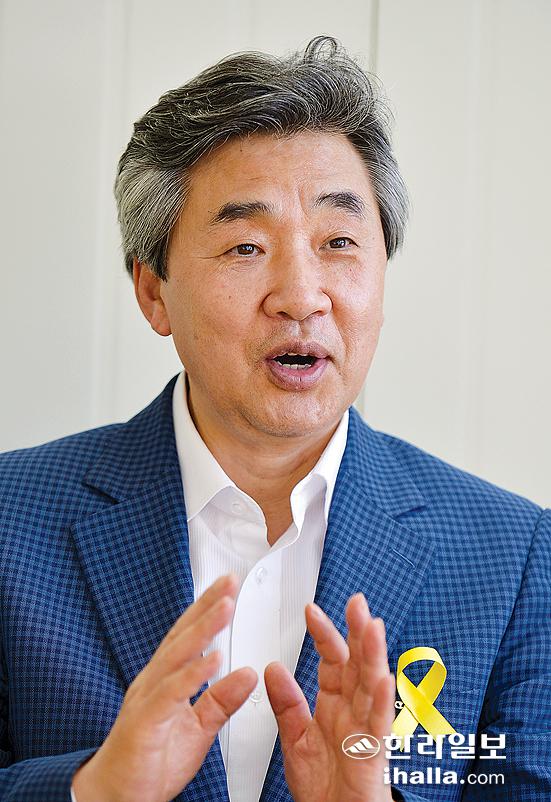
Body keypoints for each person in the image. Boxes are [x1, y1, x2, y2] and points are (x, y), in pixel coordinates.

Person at [0, 34, 549, 802]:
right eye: (246, 247)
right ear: (153, 292)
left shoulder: (510, 554)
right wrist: (95, 789)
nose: (300, 296)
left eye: (338, 242)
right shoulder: (12, 519)